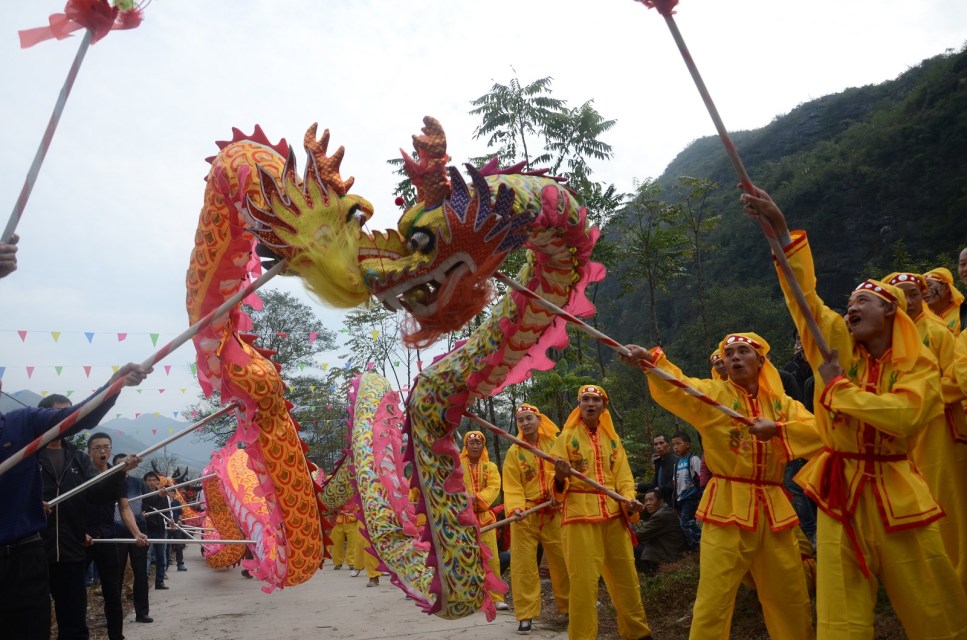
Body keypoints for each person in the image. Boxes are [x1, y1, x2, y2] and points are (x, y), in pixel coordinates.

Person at [742, 184, 967, 638]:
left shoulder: (918, 363)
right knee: (840, 618)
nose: (850, 309)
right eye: (848, 305)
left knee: (935, 611)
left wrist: (840, 391)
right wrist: (781, 234)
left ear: (890, 312)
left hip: (900, 492)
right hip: (839, 492)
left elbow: (905, 416)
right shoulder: (836, 346)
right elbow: (803, 298)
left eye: (862, 302)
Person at [624, 333, 821, 639]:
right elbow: (680, 387)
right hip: (726, 509)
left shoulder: (782, 406)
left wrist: (779, 431)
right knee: (714, 599)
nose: (735, 358)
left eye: (744, 351)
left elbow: (818, 433)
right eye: (729, 353)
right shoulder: (713, 396)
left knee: (789, 597)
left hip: (774, 510)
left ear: (761, 361)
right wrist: (652, 362)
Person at [0, 363, 148, 640]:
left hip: (34, 553)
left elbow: (79, 418)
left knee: (45, 627)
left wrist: (113, 385)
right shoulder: (36, 455)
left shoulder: (22, 425)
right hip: (44, 546)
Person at [551, 384, 653, 640]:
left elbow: (624, 478)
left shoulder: (613, 439)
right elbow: (551, 484)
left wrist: (629, 499)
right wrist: (560, 478)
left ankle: (637, 633)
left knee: (626, 578)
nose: (590, 404)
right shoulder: (564, 438)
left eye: (596, 400)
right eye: (585, 399)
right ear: (579, 405)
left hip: (613, 514)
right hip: (579, 516)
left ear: (603, 406)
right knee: (583, 584)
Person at [886, 271, 967, 592]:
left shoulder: (938, 332)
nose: (908, 300)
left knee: (948, 510)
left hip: (939, 432)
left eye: (914, 293)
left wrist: (918, 400)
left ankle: (958, 586)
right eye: (900, 294)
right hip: (903, 437)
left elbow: (958, 380)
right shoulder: (885, 338)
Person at [502, 403, 568, 635]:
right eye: (521, 420)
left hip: (553, 511)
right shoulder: (514, 451)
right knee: (523, 566)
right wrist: (516, 508)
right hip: (526, 515)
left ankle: (569, 608)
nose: (525, 423)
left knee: (562, 561)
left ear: (539, 420)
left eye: (529, 418)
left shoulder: (555, 444)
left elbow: (561, 474)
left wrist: (556, 491)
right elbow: (511, 485)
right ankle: (525, 615)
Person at [87, 433, 148, 640]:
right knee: (76, 592)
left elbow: (125, 509)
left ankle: (116, 635)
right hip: (83, 537)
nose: (102, 451)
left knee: (112, 592)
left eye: (106, 447)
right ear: (89, 452)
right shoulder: (82, 475)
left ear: (111, 450)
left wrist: (136, 532)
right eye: (97, 448)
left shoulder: (118, 478)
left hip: (108, 537)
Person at [460, 430, 508, 610]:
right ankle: (469, 598)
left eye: (478, 443)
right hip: (463, 520)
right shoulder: (456, 465)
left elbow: (494, 487)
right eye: (471, 443)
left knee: (492, 559)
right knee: (466, 559)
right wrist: (462, 498)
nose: (475, 446)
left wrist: (476, 498)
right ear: (466, 446)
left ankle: (496, 598)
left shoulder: (491, 467)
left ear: (483, 446)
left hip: (486, 520)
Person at [114, 454, 153, 623]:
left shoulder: (138, 482)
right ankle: (113, 613)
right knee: (115, 575)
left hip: (139, 531)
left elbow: (148, 501)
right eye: (119, 464)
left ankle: (142, 612)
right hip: (116, 533)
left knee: (141, 573)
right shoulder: (110, 482)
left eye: (126, 463)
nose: (123, 466)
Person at [632, 488, 687, 574]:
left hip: (670, 556)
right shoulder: (665, 511)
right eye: (646, 501)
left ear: (660, 501)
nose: (647, 503)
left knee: (631, 545)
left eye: (651, 500)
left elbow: (638, 536)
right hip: (670, 550)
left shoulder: (662, 515)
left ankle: (650, 573)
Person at [670, 432, 702, 550]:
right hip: (681, 498)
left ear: (687, 444)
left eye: (678, 443)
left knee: (685, 523)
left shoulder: (693, 459)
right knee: (688, 522)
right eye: (673, 445)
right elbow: (675, 482)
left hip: (691, 496)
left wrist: (700, 496)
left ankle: (698, 545)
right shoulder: (677, 463)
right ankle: (694, 547)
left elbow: (700, 477)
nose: (675, 447)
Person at [142, 471, 171, 590]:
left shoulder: (162, 495)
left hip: (159, 529)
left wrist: (170, 520)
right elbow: (138, 509)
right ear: (145, 482)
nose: (151, 482)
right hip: (146, 530)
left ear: (158, 482)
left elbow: (167, 511)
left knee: (161, 556)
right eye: (149, 480)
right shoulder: (142, 494)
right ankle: (144, 581)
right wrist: (141, 514)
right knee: (146, 556)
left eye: (154, 480)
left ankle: (159, 582)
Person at [924, 267, 964, 335]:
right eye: (921, 288)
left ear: (946, 287)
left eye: (928, 285)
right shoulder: (923, 318)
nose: (924, 291)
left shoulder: (962, 314)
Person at [329, 503, 359, 571]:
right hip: (336, 519)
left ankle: (352, 562)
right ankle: (337, 562)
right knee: (336, 542)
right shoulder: (333, 493)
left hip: (352, 518)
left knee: (353, 541)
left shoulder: (356, 492)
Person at [650, 434, 678, 506]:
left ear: (668, 445)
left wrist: (659, 489)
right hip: (662, 502)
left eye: (661, 443)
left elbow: (676, 483)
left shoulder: (675, 461)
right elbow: (654, 484)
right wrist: (637, 486)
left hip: (674, 503)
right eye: (656, 444)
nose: (658, 446)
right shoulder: (659, 462)